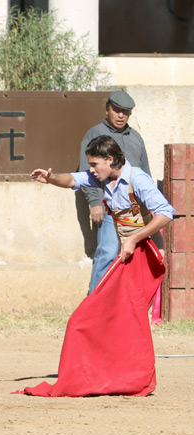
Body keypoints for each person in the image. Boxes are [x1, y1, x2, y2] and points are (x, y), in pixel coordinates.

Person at [15, 135, 174, 397]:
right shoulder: (104, 177)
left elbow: (166, 212)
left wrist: (134, 238)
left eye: (94, 164)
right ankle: (118, 373)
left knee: (129, 316)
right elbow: (72, 180)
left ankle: (136, 378)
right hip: (128, 253)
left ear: (110, 160)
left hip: (144, 253)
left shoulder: (138, 179)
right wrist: (51, 178)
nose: (90, 169)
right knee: (109, 315)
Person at [80, 90, 150, 294]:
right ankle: (94, 303)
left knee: (135, 256)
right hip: (109, 206)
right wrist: (94, 201)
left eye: (126, 112)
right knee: (108, 252)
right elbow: (88, 171)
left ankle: (125, 307)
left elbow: (145, 172)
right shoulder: (94, 134)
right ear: (107, 109)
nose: (121, 115)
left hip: (135, 209)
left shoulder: (136, 138)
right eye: (117, 110)